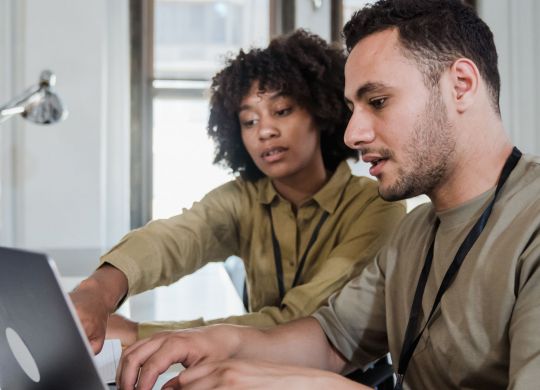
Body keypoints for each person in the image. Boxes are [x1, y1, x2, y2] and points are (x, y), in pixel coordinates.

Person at [113, 1, 540, 389]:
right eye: (353, 108)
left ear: (461, 85)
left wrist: (289, 383)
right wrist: (209, 342)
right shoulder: (415, 232)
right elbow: (331, 340)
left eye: (378, 100)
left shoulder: (530, 224)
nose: (354, 134)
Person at [70, 29, 405, 354]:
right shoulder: (242, 199)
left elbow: (301, 322)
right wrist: (98, 289)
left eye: (282, 111)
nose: (265, 131)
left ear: (321, 110)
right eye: (249, 121)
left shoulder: (375, 206)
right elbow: (175, 239)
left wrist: (139, 333)